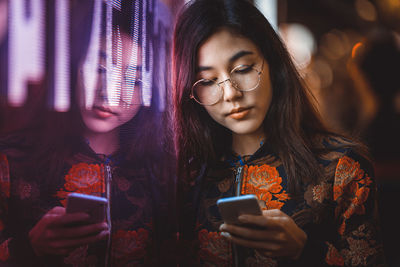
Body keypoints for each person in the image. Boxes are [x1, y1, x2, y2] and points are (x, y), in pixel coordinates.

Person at [172, 0, 385, 266]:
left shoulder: (342, 167)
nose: (231, 94)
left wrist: (305, 252)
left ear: (274, 64)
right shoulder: (184, 175)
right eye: (207, 81)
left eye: (243, 69)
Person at [0, 2, 175, 266]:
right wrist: (29, 247)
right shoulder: (12, 160)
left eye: (133, 80)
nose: (110, 93)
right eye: (99, 69)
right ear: (73, 64)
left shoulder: (160, 168)